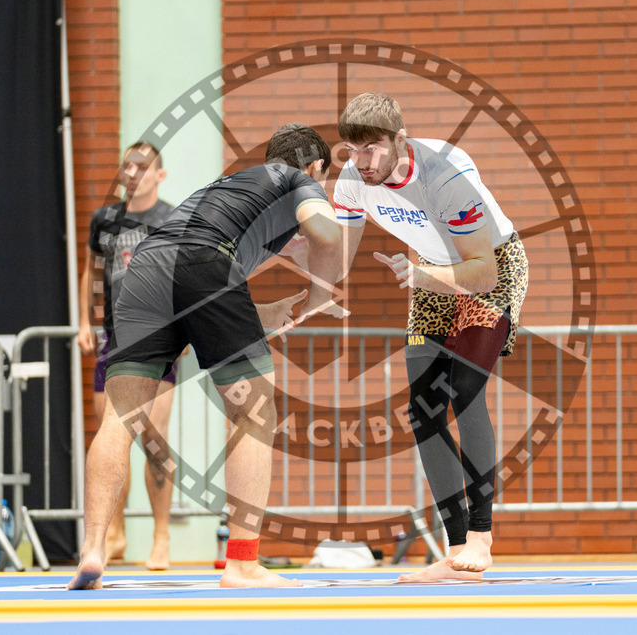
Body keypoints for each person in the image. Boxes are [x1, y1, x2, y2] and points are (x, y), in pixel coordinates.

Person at [68, 123, 347, 590]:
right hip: (203, 264)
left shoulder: (231, 187)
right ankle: (242, 563)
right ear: (317, 166)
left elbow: (193, 275)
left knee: (120, 416)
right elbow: (327, 235)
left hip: (146, 272)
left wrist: (260, 312)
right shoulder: (299, 179)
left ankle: (93, 550)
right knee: (253, 413)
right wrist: (320, 294)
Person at [333, 92, 528, 582]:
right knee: (424, 410)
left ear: (400, 140)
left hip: (490, 268)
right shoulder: (353, 179)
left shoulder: (445, 177)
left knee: (465, 393)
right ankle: (456, 549)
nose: (362, 161)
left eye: (373, 148)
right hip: (432, 274)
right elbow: (338, 254)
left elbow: (482, 271)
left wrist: (427, 276)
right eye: (353, 150)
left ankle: (481, 536)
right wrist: (312, 282)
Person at [77, 141, 180, 570]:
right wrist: (84, 321)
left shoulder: (172, 218)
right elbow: (91, 269)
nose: (133, 173)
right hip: (114, 339)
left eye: (143, 166)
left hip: (159, 338)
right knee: (112, 435)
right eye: (127, 166)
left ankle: (161, 537)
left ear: (160, 175)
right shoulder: (105, 219)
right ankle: (113, 533)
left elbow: (185, 276)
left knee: (154, 439)